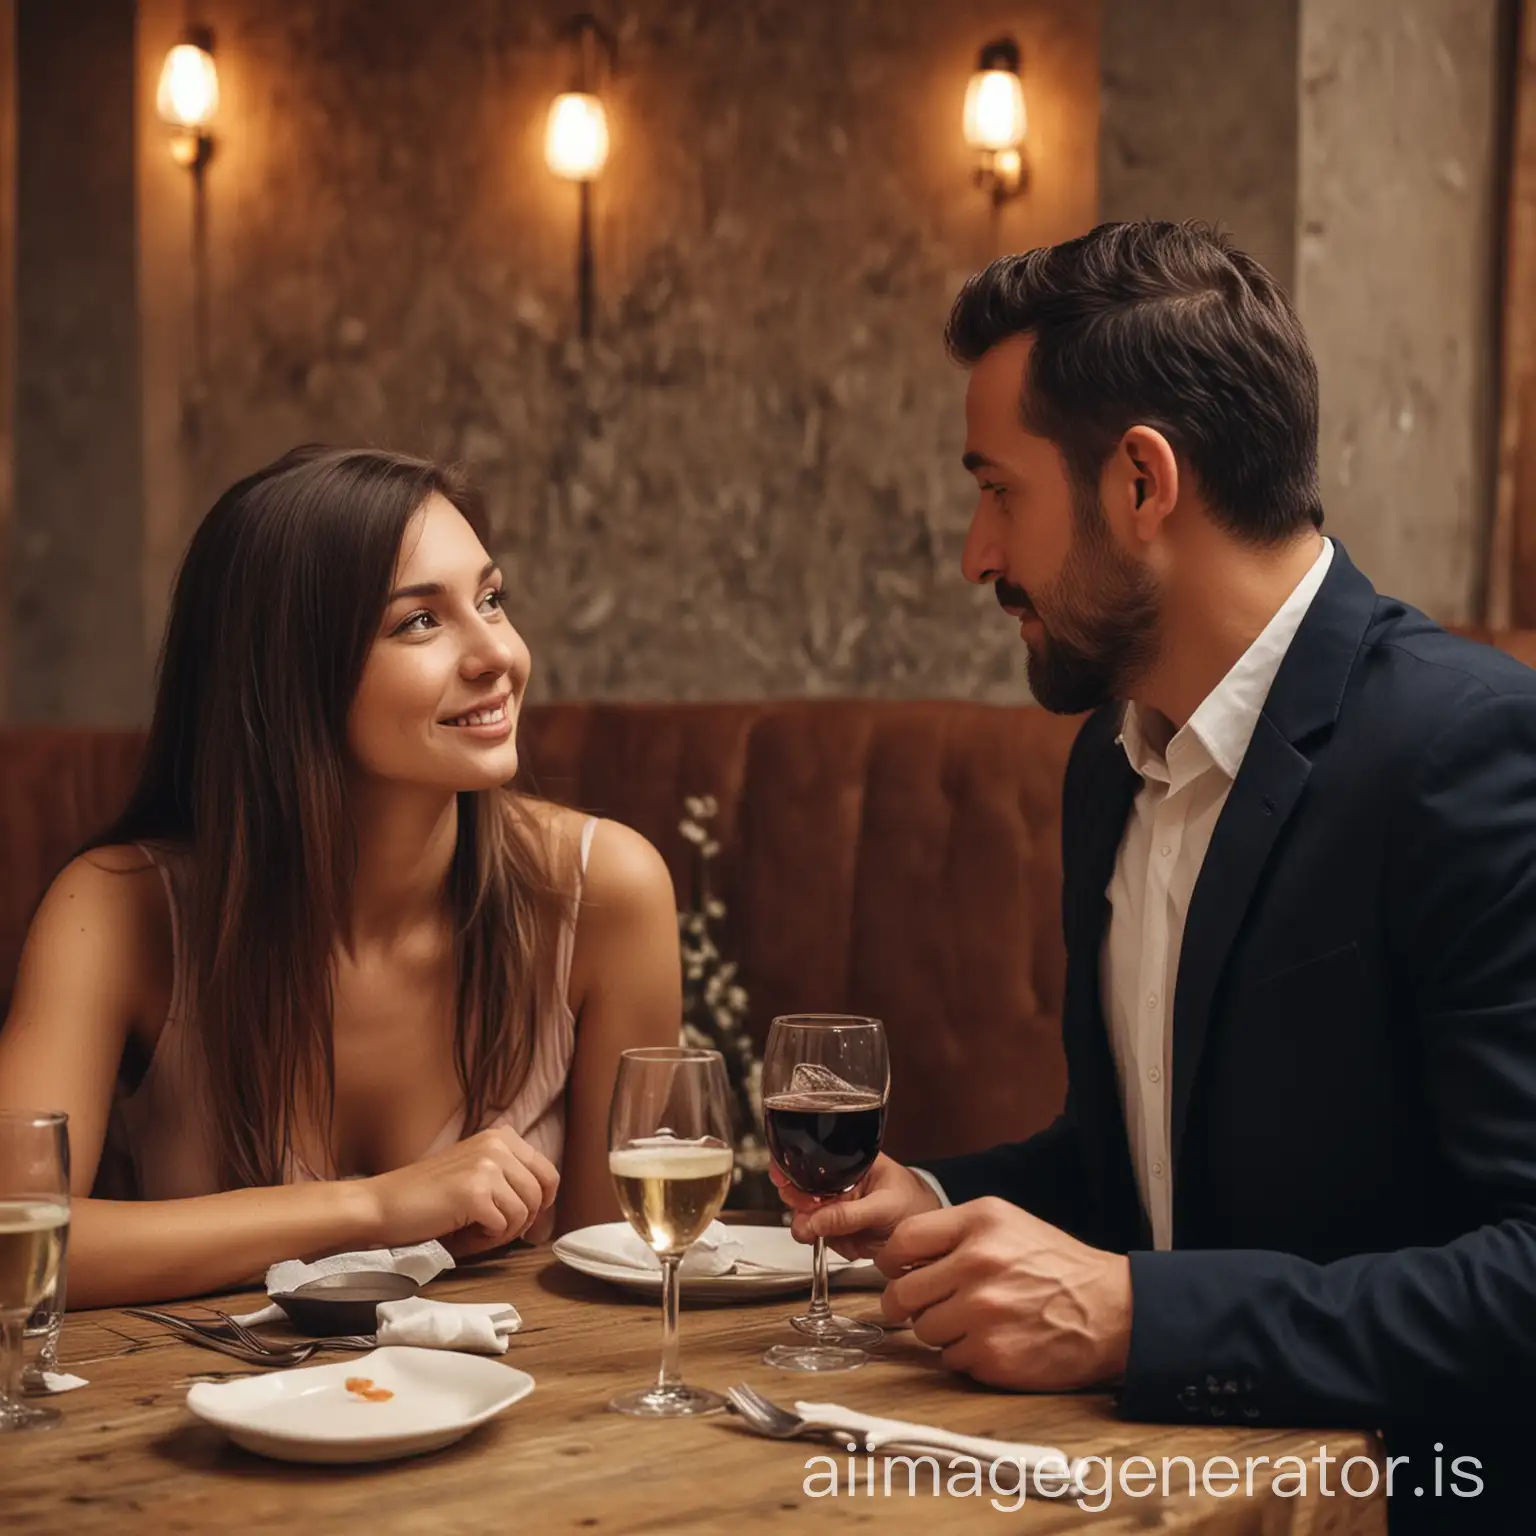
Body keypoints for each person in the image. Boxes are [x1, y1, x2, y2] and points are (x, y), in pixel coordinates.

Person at [775, 222, 1536, 1530]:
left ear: (1141, 483)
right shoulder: (1110, 766)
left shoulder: (1469, 751)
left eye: (997, 489)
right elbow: (1150, 1171)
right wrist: (941, 1203)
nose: (976, 553)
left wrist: (1134, 1315)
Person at [0, 446, 681, 1308]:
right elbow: (13, 1236)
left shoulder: (605, 893)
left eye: (491, 600)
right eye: (420, 623)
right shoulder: (117, 910)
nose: (496, 655)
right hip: (187, 1427)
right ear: (287, 675)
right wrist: (374, 1207)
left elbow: (620, 1291)